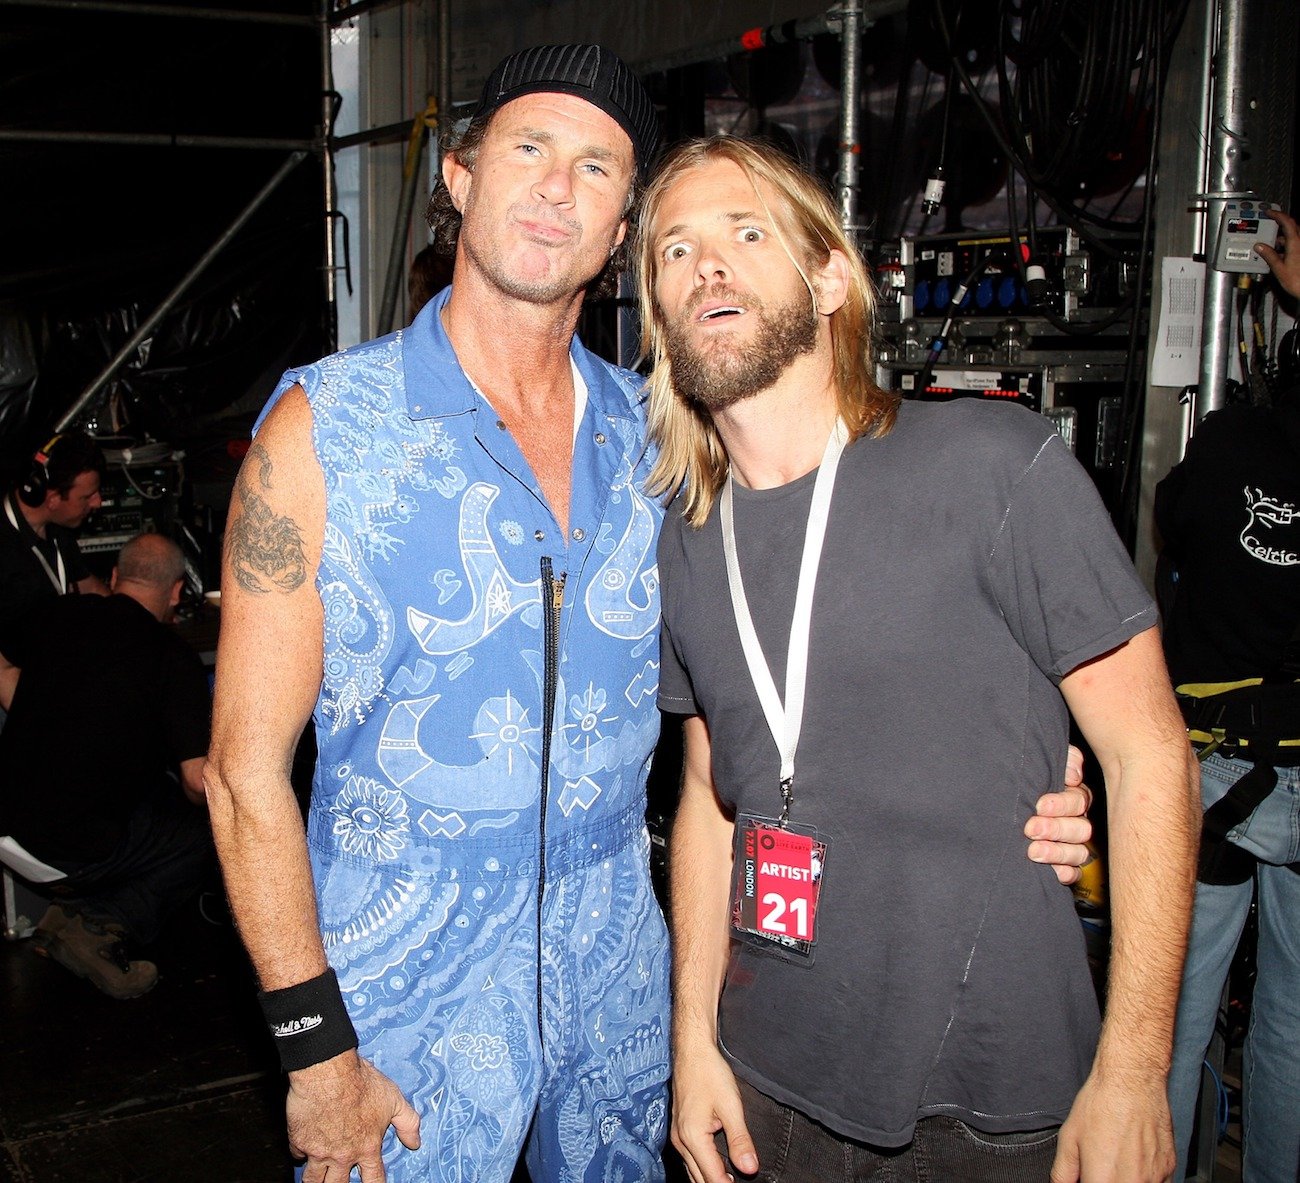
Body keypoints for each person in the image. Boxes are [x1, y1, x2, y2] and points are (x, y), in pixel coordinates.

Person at [204, 48, 1094, 1183]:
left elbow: (788, 657)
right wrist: (312, 1047)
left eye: (596, 167)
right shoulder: (325, 431)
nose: (556, 186)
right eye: (528, 149)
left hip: (621, 1007)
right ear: (460, 178)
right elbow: (241, 774)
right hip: (398, 1013)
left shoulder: (664, 446)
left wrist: (1019, 771)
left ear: (621, 228)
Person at [638, 136, 1200, 1183]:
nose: (705, 265)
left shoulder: (994, 465)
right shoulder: (685, 535)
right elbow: (710, 800)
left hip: (994, 1095)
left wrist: (1133, 1070)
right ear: (658, 315)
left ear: (829, 280)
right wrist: (694, 1043)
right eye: (674, 250)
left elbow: (1150, 757)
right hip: (769, 1087)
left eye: (746, 234)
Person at [1160, 207, 1300, 1182]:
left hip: (1217, 774)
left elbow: (1172, 525)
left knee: (1175, 1012)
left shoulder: (1226, 447)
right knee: (1290, 1023)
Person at [0, 532, 212, 999]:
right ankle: (97, 925)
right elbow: (197, 783)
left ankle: (69, 916)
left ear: (115, 577)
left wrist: (42, 714)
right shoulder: (171, 658)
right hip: (64, 849)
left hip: (7, 820)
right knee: (205, 830)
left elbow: (4, 666)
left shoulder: (56, 613)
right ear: (177, 591)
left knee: (148, 793)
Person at [0, 429, 109, 659]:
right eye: (87, 496)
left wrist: (136, 624)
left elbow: (91, 587)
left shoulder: (58, 528)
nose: (98, 502)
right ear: (52, 500)